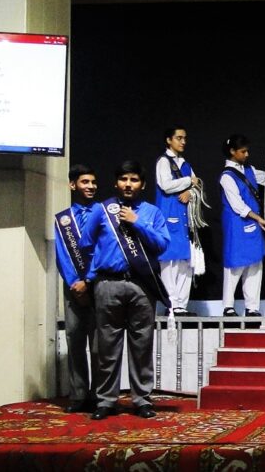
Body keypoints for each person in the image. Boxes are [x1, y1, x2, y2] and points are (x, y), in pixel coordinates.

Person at [80, 160, 170, 420]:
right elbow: (85, 243)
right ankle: (106, 401)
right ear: (116, 182)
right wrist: (93, 275)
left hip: (142, 286)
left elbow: (162, 244)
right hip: (108, 284)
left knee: (142, 345)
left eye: (134, 179)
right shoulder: (102, 210)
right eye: (123, 179)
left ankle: (142, 400)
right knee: (107, 347)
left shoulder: (152, 213)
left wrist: (137, 222)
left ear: (142, 184)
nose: (128, 184)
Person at [53, 164, 99, 413]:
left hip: (98, 284)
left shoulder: (103, 213)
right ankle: (79, 396)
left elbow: (104, 250)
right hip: (73, 288)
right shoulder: (63, 219)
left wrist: (89, 281)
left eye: (93, 182)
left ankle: (100, 395)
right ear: (73, 185)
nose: (90, 186)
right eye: (85, 182)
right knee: (75, 340)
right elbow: (61, 254)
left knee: (100, 345)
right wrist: (75, 284)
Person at [219, 134, 265, 317]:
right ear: (232, 151)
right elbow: (237, 205)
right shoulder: (226, 177)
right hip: (237, 223)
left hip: (253, 221)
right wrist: (258, 218)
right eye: (243, 151)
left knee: (255, 264)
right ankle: (228, 306)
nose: (247, 154)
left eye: (247, 151)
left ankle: (252, 307)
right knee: (235, 264)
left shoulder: (249, 170)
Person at [155, 126, 201, 316]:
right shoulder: (163, 161)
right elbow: (166, 185)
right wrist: (189, 182)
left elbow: (198, 185)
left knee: (185, 262)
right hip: (168, 216)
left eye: (184, 138)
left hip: (184, 219)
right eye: (179, 138)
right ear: (169, 140)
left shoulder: (186, 164)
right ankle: (172, 304)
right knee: (169, 261)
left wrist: (190, 192)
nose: (183, 142)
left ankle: (181, 305)